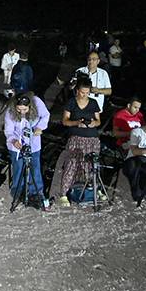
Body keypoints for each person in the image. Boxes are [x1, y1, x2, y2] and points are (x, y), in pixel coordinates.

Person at [52, 79, 101, 207]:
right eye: (82, 92)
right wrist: (77, 122)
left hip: (92, 137)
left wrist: (92, 123)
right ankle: (64, 193)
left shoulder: (93, 103)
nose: (84, 95)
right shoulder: (72, 102)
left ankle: (93, 189)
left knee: (91, 165)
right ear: (77, 91)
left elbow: (98, 121)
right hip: (76, 137)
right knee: (71, 164)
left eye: (87, 92)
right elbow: (65, 121)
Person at [4, 92, 50, 209]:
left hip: (33, 143)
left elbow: (45, 115)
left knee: (35, 167)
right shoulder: (10, 111)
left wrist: (40, 127)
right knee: (18, 168)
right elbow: (8, 131)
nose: (22, 112)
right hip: (16, 144)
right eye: (19, 109)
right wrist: (13, 140)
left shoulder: (37, 102)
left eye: (24, 109)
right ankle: (18, 192)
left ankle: (36, 192)